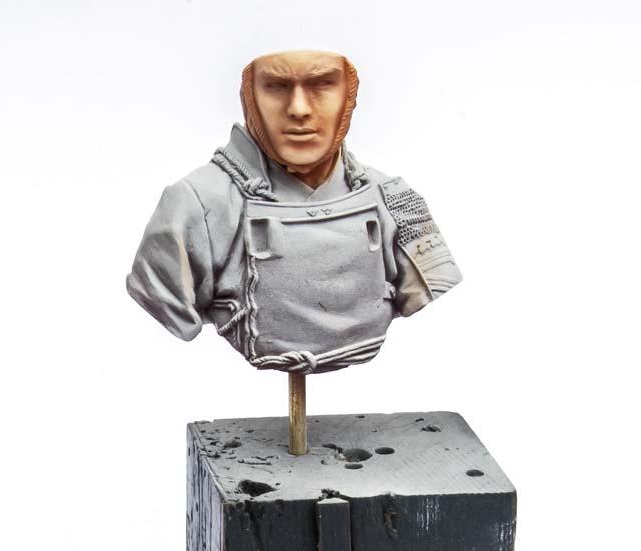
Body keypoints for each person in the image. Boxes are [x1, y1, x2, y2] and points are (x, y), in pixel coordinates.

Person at [126, 50, 461, 375]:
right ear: (249, 100)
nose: (299, 109)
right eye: (276, 87)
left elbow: (432, 282)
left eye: (321, 85)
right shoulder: (194, 205)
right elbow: (164, 297)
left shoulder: (392, 198)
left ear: (349, 99)